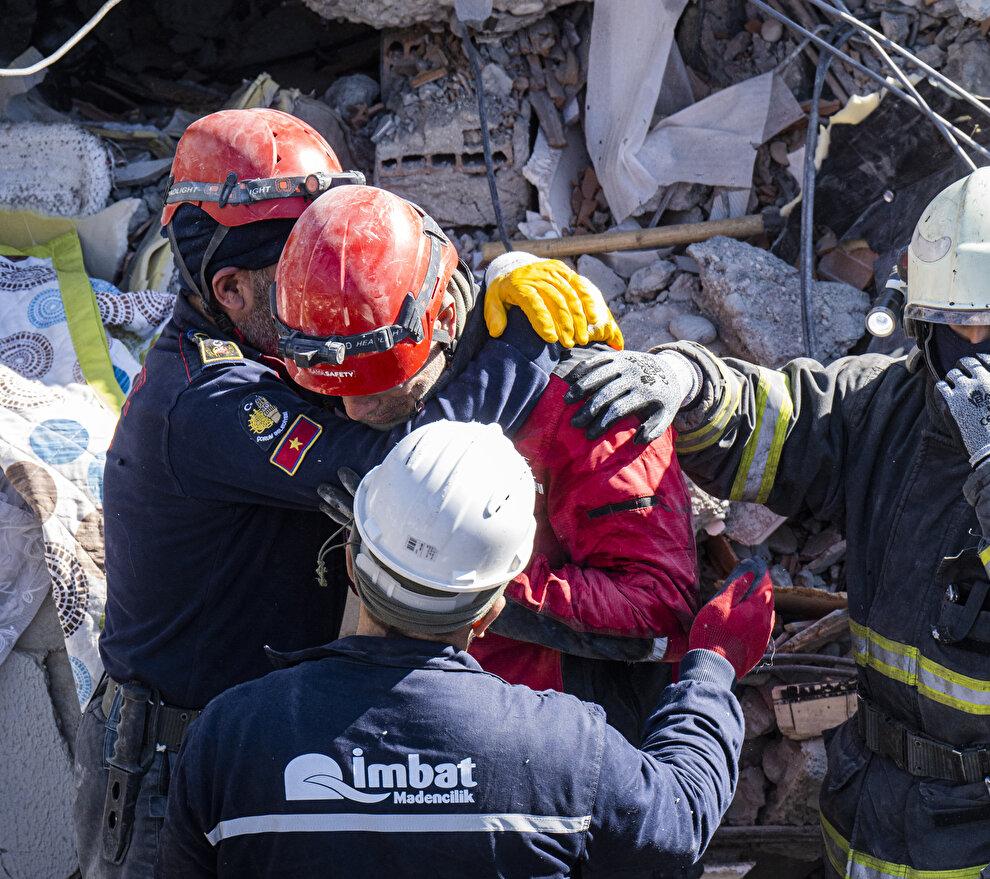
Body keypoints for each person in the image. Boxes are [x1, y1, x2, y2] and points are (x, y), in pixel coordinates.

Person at [562, 165, 990, 879]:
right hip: (880, 805)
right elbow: (781, 421)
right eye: (957, 326)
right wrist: (692, 383)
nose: (977, 347)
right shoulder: (891, 406)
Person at [75, 107, 617, 879]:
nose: (323, 284)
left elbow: (379, 313)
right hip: (170, 765)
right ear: (231, 289)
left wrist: (480, 284)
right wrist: (526, 346)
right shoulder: (210, 401)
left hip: (250, 734)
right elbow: (405, 469)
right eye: (298, 270)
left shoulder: (271, 344)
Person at [155, 420, 774, 878]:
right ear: (494, 610)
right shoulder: (563, 751)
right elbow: (679, 818)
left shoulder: (230, 736)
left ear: (349, 561)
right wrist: (712, 669)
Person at [272, 184, 700, 747]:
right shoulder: (348, 341)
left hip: (552, 743)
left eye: (379, 385)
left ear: (444, 318)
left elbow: (660, 614)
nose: (354, 411)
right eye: (337, 390)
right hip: (418, 723)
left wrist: (449, 565)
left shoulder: (591, 406)